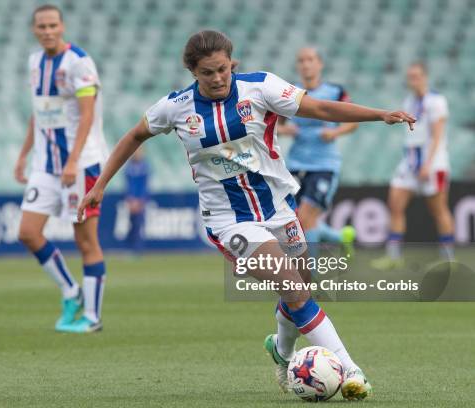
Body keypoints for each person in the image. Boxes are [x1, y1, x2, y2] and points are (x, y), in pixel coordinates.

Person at [77, 30, 415, 399]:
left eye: (222, 69)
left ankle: (282, 352)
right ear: (193, 72)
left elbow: (319, 109)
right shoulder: (176, 107)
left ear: (231, 63)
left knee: (300, 287)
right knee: (292, 285)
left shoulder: (261, 88)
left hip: (277, 208)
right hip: (229, 220)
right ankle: (351, 369)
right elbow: (133, 136)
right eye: (208, 72)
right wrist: (99, 186)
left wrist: (378, 114)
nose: (218, 78)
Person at [14, 4, 108, 333]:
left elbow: (87, 115)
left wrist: (72, 161)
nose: (47, 31)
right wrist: (23, 155)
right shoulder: (34, 62)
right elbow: (39, 112)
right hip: (45, 164)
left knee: (85, 242)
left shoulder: (78, 62)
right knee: (27, 231)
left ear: (62, 26)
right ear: (34, 30)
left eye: (53, 25)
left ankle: (93, 317)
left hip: (80, 164)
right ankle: (71, 290)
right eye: (41, 26)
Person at [372, 62, 454, 270]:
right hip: (409, 163)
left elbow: (437, 135)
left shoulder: (436, 101)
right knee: (395, 203)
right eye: (410, 77)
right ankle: (393, 256)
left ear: (425, 77)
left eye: (416, 76)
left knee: (438, 209)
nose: (413, 81)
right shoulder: (409, 101)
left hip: (434, 164)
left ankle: (448, 258)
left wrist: (428, 163)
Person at [278, 47, 357, 257]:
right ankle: (340, 238)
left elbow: (353, 122)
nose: (306, 64)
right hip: (296, 163)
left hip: (324, 165)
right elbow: (276, 125)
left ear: (319, 64)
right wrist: (286, 129)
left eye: (310, 59)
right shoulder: (290, 93)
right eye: (301, 60)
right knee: (296, 220)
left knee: (305, 217)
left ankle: (308, 277)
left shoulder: (334, 91)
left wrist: (335, 132)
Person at [124, 147, 150, 255]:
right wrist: (130, 199)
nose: (137, 154)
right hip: (131, 201)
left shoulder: (145, 167)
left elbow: (144, 185)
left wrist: (141, 200)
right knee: (132, 224)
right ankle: (130, 248)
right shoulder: (129, 167)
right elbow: (128, 185)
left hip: (140, 201)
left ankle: (137, 249)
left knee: (139, 224)